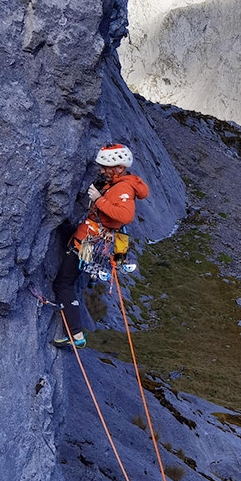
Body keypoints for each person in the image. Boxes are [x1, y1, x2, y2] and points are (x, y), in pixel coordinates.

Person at [52, 143, 149, 348]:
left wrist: (99, 200)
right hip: (94, 239)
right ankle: (91, 282)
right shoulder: (119, 182)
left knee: (63, 284)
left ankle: (76, 336)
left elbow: (125, 215)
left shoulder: (123, 187)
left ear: (120, 168)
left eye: (106, 167)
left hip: (89, 241)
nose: (102, 170)